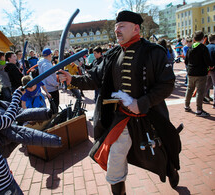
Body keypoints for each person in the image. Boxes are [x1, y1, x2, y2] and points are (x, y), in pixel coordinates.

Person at [59, 10, 180, 194]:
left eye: (121, 26)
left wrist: (142, 102)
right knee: (114, 158)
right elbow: (94, 78)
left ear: (136, 28)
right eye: (116, 27)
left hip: (150, 116)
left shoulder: (154, 52)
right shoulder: (113, 55)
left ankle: (170, 169)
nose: (117, 30)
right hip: (122, 118)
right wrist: (72, 79)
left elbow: (166, 84)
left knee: (162, 148)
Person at [184, 31, 213, 116]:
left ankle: (186, 105)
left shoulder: (190, 48)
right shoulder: (203, 48)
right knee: (200, 91)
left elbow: (186, 61)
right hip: (201, 73)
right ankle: (199, 110)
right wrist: (211, 65)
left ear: (194, 38)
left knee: (189, 89)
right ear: (203, 38)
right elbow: (207, 60)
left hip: (191, 72)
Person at [205, 33, 215, 108]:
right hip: (213, 69)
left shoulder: (205, 47)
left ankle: (202, 96)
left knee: (207, 83)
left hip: (206, 69)